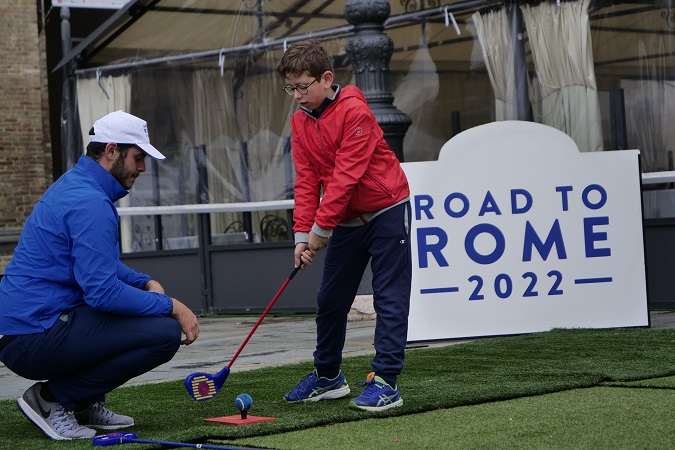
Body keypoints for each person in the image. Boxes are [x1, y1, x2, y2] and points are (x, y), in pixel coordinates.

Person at [0, 110, 200, 440]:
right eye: (138, 158)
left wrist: (143, 281)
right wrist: (172, 306)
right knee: (163, 333)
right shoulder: (90, 201)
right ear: (111, 151)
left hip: (26, 329)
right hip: (31, 335)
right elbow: (102, 292)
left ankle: (82, 401)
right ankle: (53, 400)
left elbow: (93, 264)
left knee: (130, 316)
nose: (142, 168)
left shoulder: (77, 184)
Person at [276, 39, 412, 412]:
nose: (298, 96)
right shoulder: (300, 122)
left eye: (303, 87)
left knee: (389, 297)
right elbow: (306, 182)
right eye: (291, 89)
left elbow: (344, 179)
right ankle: (328, 375)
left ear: (326, 78)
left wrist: (318, 234)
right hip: (346, 221)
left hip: (387, 210)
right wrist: (302, 235)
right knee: (330, 298)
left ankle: (386, 382)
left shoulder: (355, 111)